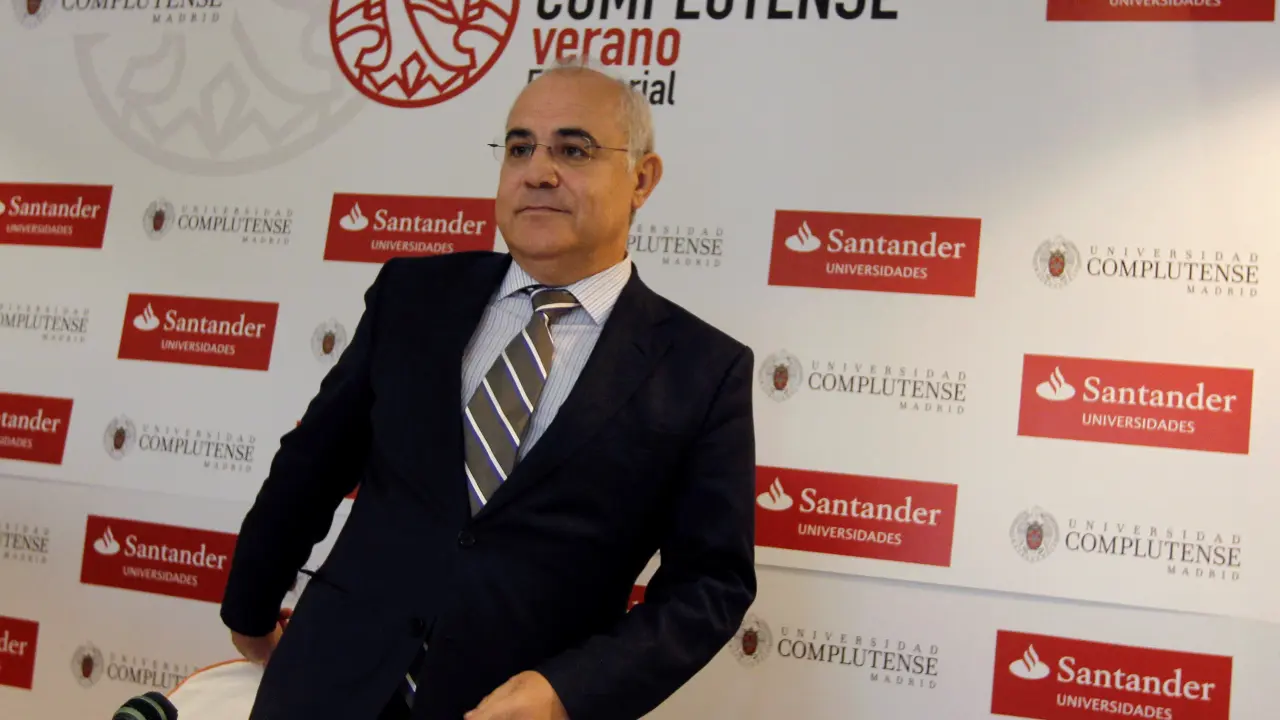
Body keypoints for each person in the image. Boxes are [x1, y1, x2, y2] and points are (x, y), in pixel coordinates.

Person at [218, 55, 758, 720]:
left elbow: (709, 586)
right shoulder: (412, 296)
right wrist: (250, 607)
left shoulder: (704, 370)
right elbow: (314, 463)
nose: (538, 171)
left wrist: (568, 692)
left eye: (574, 149)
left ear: (642, 178)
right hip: (324, 686)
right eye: (520, 147)